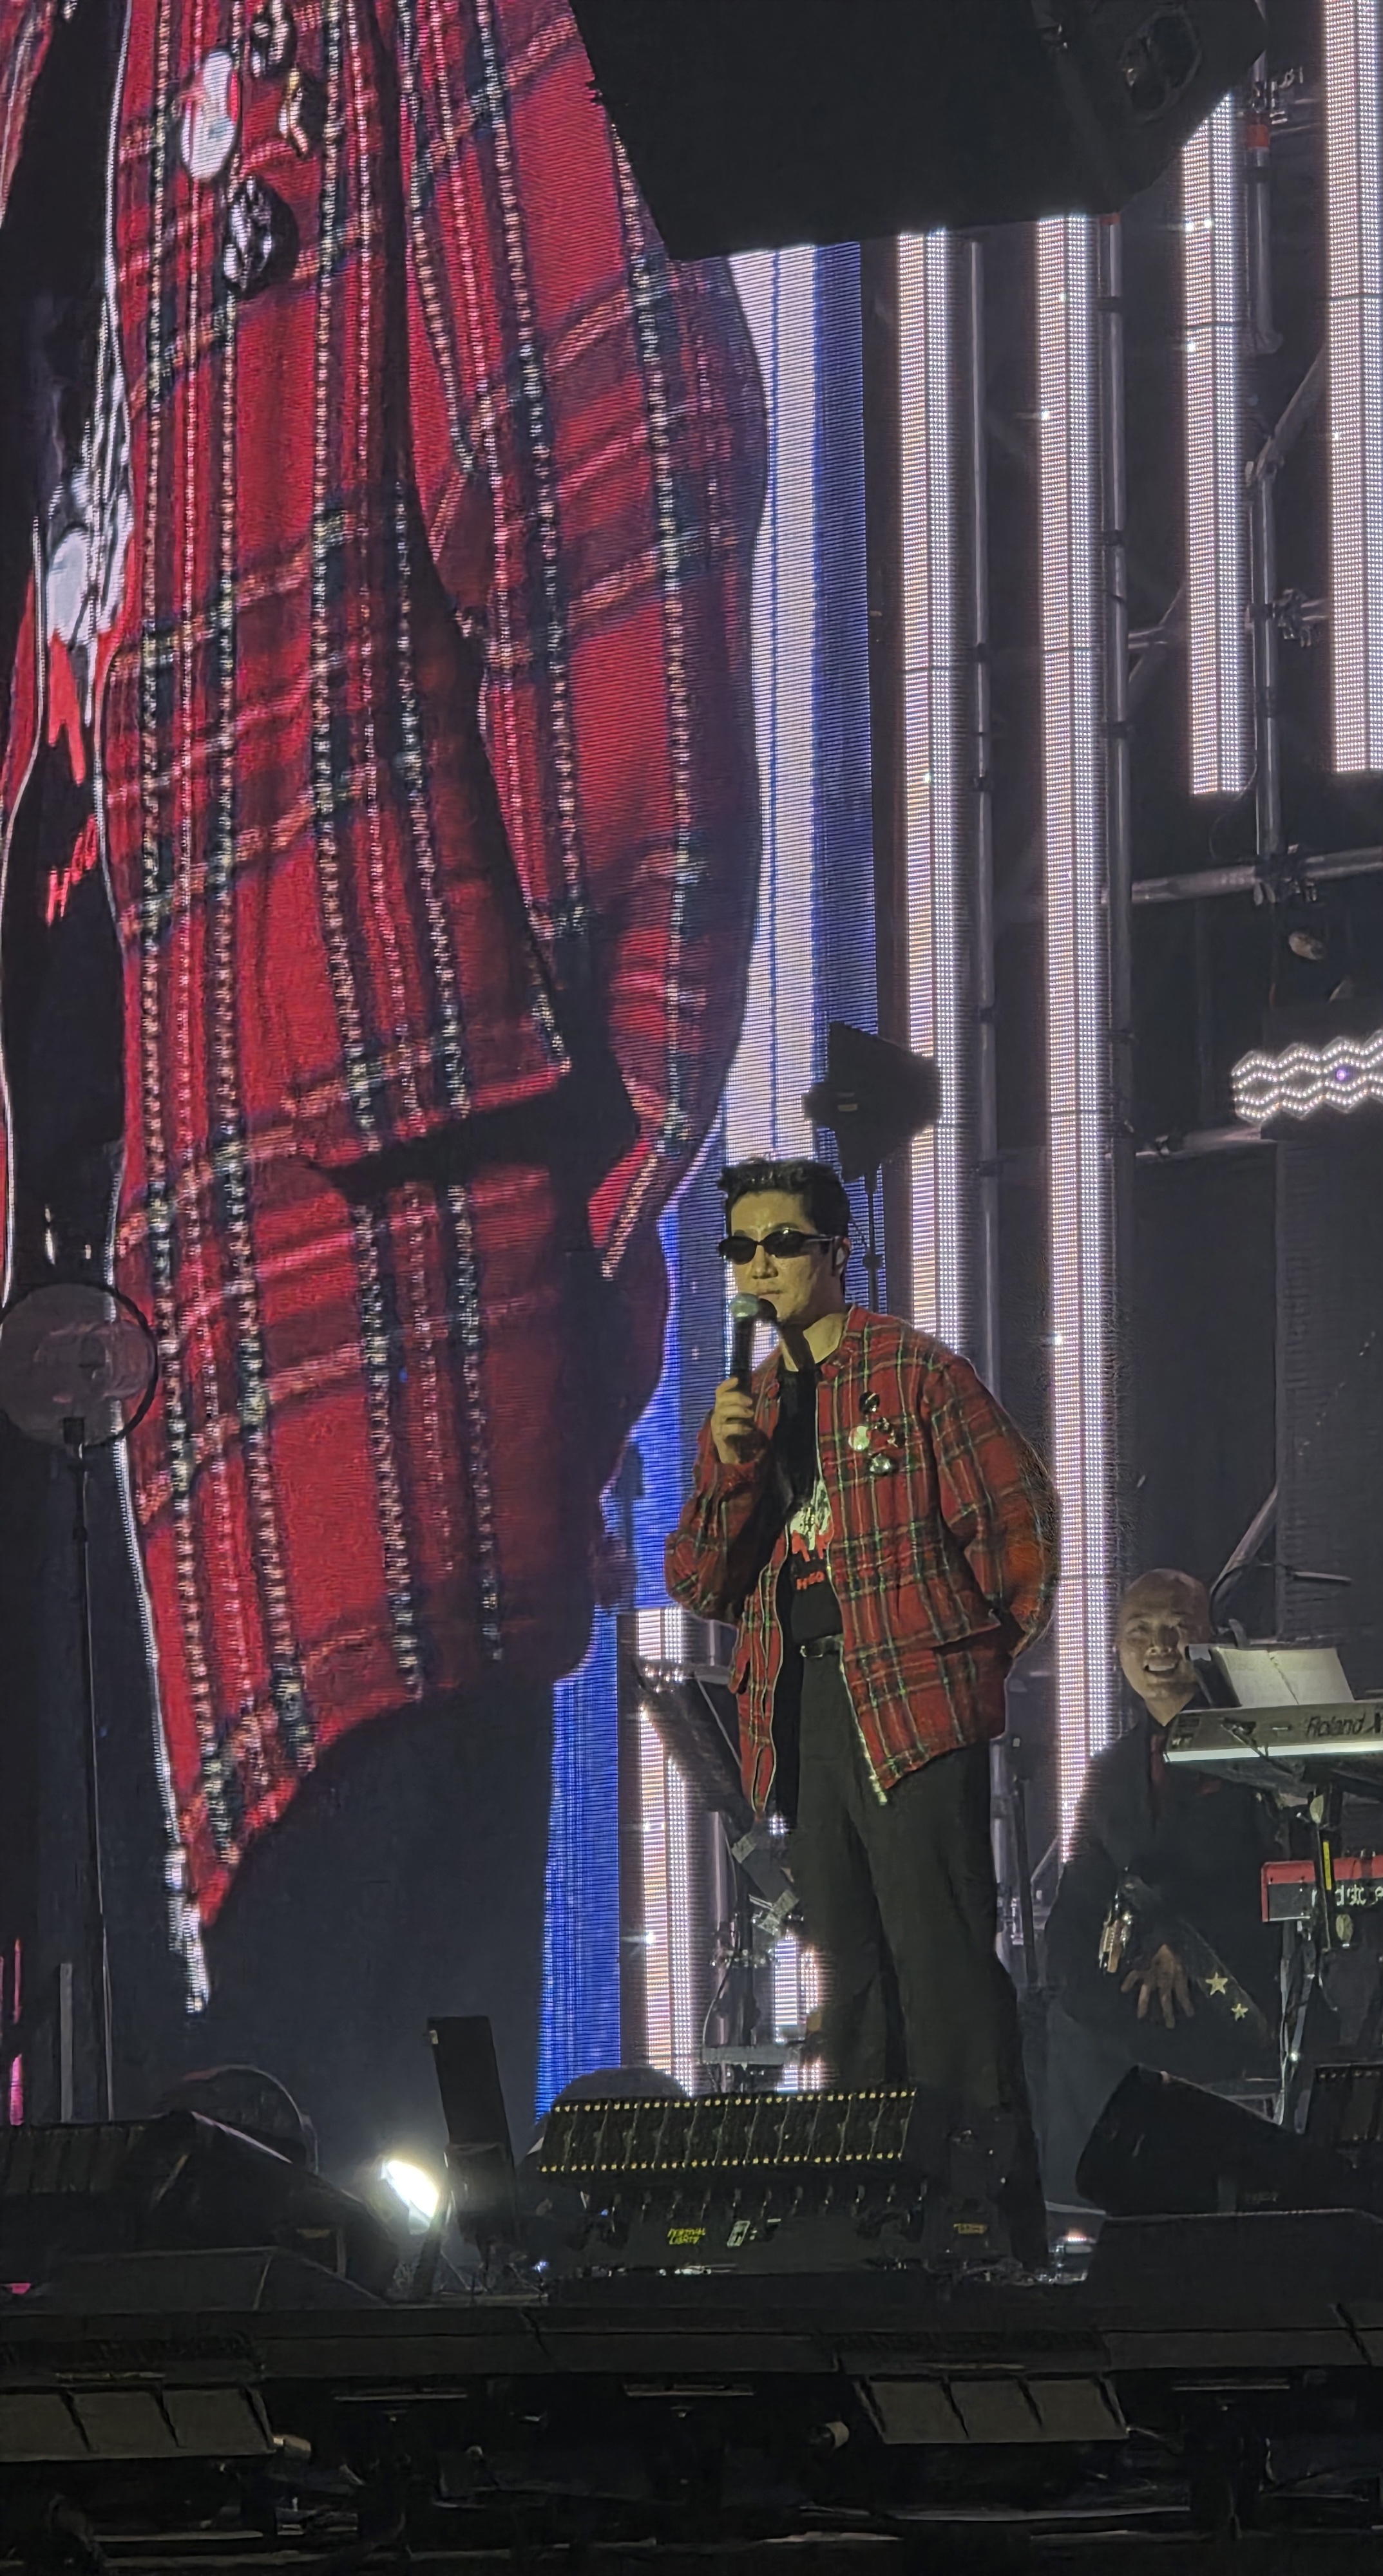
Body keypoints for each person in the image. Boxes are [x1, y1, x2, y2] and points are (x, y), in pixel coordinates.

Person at [0, 0, 763, 2143]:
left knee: (348, 2210)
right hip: (66, 1303)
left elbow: (621, 504)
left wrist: (553, 1213)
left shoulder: (417, 18)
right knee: (102, 2191)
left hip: (347, 1342)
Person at [665, 1158, 1059, 2259]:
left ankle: (992, 2233)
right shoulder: (748, 1406)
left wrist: (960, 1669)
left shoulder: (913, 1373)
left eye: (783, 1243)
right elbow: (699, 1582)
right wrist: (731, 1468)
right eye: (741, 1248)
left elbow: (1020, 1530)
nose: (760, 1266)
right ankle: (874, 2228)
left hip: (913, 1702)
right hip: (801, 1712)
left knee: (945, 1973)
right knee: (850, 1981)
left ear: (837, 1252)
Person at [1042, 1570, 1285, 2207]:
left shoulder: (1258, 1749)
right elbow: (1080, 1894)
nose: (1160, 1645)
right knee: (1048, 2018)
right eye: (1140, 1630)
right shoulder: (1108, 1772)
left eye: (1178, 1627)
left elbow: (1278, 1879)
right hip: (1130, 1988)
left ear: (1210, 1639)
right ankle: (1080, 2211)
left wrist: (1189, 1948)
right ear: (1117, 1649)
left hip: (1236, 1980)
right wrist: (1074, 1977)